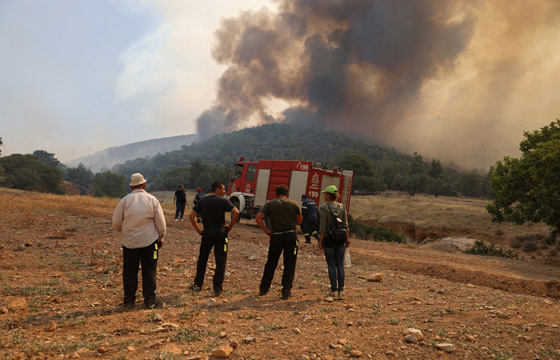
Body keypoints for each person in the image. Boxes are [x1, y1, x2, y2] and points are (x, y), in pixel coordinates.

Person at [112, 173, 166, 309]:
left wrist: (122, 230)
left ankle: (129, 300)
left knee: (130, 271)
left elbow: (116, 222)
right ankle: (150, 300)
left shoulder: (124, 201)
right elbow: (161, 224)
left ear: (131, 186)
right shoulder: (152, 200)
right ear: (144, 185)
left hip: (129, 243)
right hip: (149, 242)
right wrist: (161, 237)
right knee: (149, 270)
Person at [189, 181, 240, 297]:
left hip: (207, 233)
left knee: (202, 259)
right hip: (221, 233)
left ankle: (197, 285)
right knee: (220, 261)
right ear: (217, 189)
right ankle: (217, 289)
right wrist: (230, 227)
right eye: (223, 189)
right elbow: (236, 212)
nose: (224, 191)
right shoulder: (224, 200)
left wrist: (199, 230)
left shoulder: (203, 200)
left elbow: (192, 215)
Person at [255, 184, 303, 300]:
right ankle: (286, 291)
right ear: (287, 194)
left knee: (271, 263)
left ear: (276, 194)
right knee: (289, 264)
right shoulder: (294, 204)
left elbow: (258, 218)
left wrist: (266, 230)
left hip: (276, 236)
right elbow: (299, 221)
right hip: (291, 236)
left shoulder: (270, 204)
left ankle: (263, 289)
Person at [318, 185, 350, 301]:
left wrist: (320, 241)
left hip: (329, 239)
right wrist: (347, 239)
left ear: (328, 195)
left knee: (331, 264)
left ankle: (334, 291)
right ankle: (341, 291)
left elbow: (323, 227)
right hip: (341, 239)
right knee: (340, 265)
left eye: (325, 194)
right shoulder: (342, 207)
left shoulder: (323, 208)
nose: (324, 196)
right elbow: (346, 225)